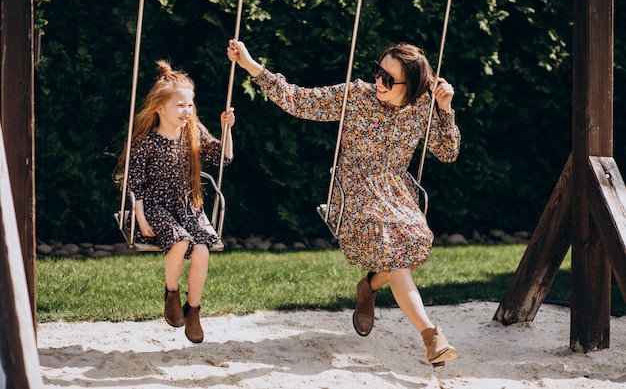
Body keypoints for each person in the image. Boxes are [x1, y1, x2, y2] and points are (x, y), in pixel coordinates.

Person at [227, 39, 460, 367]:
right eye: (377, 71)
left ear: (412, 86)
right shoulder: (357, 96)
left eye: (389, 79)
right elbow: (298, 100)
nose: (378, 81)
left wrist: (445, 109)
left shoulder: (421, 106)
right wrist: (251, 65)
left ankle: (368, 286)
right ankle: (431, 336)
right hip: (354, 189)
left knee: (410, 250)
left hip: (396, 191)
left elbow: (448, 152)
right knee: (396, 256)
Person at [115, 60, 235, 344]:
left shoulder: (192, 134)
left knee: (202, 250)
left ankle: (193, 310)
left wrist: (226, 130)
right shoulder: (145, 141)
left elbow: (224, 158)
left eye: (190, 105)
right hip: (156, 207)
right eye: (180, 105)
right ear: (160, 108)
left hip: (186, 206)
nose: (187, 111)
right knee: (180, 242)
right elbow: (135, 183)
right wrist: (141, 218)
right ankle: (172, 293)